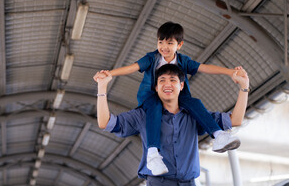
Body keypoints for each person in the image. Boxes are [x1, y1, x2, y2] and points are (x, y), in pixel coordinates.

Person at [94, 21, 247, 176]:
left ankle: (218, 135)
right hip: (151, 96)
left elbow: (205, 67)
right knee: (154, 108)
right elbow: (132, 68)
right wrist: (109, 74)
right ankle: (153, 153)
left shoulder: (183, 61)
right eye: (160, 42)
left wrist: (230, 72)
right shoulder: (152, 58)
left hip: (180, 97)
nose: (164, 47)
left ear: (179, 45)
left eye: (169, 43)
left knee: (195, 103)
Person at [95, 64, 249, 186]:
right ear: (156, 88)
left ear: (181, 86)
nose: (167, 84)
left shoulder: (196, 114)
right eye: (162, 80)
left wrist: (244, 87)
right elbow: (106, 123)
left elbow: (235, 120)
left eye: (173, 80)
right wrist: (102, 88)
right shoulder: (143, 115)